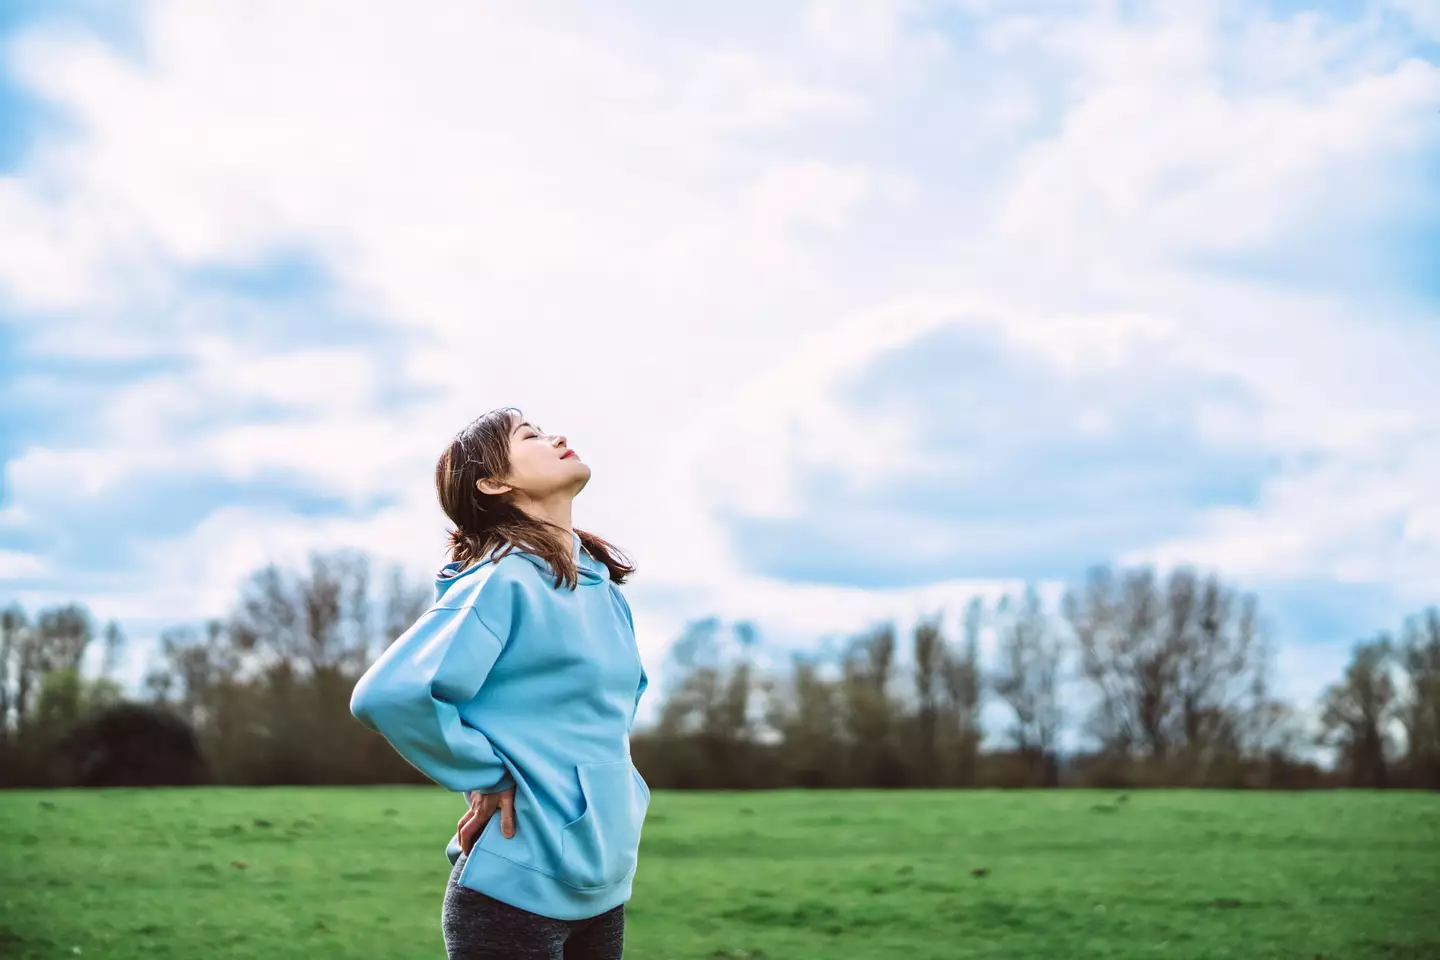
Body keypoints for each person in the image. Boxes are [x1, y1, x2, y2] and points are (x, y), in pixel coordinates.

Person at [349, 407, 649, 960]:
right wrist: (484, 772)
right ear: (494, 482)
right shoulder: (504, 578)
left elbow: (612, 714)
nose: (557, 435)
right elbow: (389, 694)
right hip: (514, 890)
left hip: (602, 882)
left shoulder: (602, 586)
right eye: (530, 436)